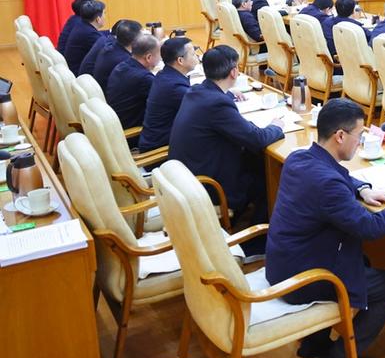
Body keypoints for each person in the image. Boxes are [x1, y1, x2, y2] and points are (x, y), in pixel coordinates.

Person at [266, 99, 385, 358]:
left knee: (362, 260)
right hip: (305, 279)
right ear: (340, 135)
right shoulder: (328, 184)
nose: (360, 141)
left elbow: (337, 178)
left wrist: (363, 189)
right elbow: (370, 227)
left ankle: (315, 342)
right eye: (359, 135)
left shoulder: (300, 158)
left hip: (284, 263)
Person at [169, 46, 284, 237]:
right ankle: (254, 241)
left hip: (189, 176)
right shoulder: (217, 104)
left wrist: (229, 94)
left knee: (256, 161)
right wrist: (276, 127)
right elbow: (257, 139)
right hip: (209, 186)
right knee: (272, 181)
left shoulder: (196, 91)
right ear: (234, 72)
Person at [138, 36, 197, 152]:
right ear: (180, 61)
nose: (197, 57)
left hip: (158, 139)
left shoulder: (164, 75)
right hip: (161, 150)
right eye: (193, 54)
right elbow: (202, 107)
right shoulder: (175, 87)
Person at [105, 33, 161, 130]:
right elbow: (163, 103)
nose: (160, 59)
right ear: (148, 57)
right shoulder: (144, 78)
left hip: (116, 123)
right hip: (131, 132)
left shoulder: (121, 65)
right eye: (159, 55)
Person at [87, 19, 144, 89]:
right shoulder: (123, 60)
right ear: (135, 42)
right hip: (108, 93)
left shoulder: (111, 47)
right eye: (142, 37)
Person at [62, 0, 106, 71]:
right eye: (104, 13)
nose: (105, 16)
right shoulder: (90, 34)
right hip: (79, 74)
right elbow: (106, 49)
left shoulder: (81, 25)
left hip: (73, 68)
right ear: (98, 19)